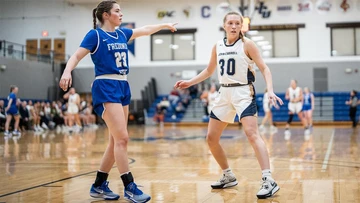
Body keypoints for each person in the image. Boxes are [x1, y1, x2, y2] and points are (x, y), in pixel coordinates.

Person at [59, 1, 177, 202]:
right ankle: (129, 186)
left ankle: (98, 185)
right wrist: (67, 71)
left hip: (123, 86)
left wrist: (163, 26)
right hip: (106, 86)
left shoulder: (122, 34)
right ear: (105, 15)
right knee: (122, 139)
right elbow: (77, 55)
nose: (121, 14)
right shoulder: (95, 35)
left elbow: (144, 30)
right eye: (117, 11)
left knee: (115, 141)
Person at [174, 11, 282, 199]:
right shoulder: (218, 46)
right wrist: (190, 82)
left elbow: (264, 68)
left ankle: (268, 179)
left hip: (243, 92)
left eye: (237, 23)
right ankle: (228, 175)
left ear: (241, 26)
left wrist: (270, 90)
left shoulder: (248, 44)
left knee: (251, 133)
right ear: (224, 25)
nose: (233, 26)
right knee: (211, 138)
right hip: (224, 93)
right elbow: (209, 70)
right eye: (230, 23)